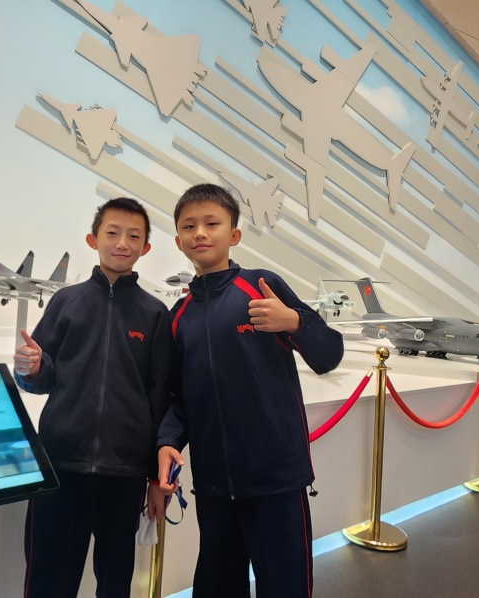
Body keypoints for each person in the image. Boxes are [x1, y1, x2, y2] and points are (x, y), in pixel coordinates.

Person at [157, 184, 344, 598]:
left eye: (212, 223)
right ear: (179, 241)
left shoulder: (262, 286)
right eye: (189, 226)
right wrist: (168, 441)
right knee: (217, 587)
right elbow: (178, 398)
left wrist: (294, 321)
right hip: (213, 486)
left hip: (276, 479)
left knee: (285, 587)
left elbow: (329, 353)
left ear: (234, 235)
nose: (200, 233)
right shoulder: (179, 316)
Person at [13, 197, 173, 598]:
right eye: (112, 233)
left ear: (145, 248)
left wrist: (156, 478)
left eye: (133, 236)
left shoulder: (155, 313)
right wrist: (30, 369)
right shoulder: (67, 302)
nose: (122, 243)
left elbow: (161, 397)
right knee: (49, 579)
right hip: (60, 465)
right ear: (93, 239)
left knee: (115, 582)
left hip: (124, 474)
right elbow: (41, 377)